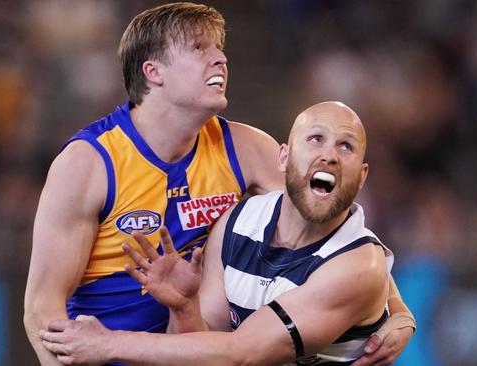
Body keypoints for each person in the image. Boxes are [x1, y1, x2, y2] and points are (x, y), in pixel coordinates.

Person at [24, 3, 414, 365]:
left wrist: (397, 310)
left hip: (196, 348)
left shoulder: (242, 148)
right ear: (153, 71)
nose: (221, 58)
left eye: (220, 48)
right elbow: (42, 311)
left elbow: (331, 224)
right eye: (199, 48)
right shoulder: (89, 163)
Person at [40, 101, 415, 366]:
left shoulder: (358, 265)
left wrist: (108, 344)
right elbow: (203, 354)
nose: (329, 155)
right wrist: (184, 307)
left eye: (345, 146)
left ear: (362, 176)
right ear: (282, 158)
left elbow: (240, 355)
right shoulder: (237, 223)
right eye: (315, 139)